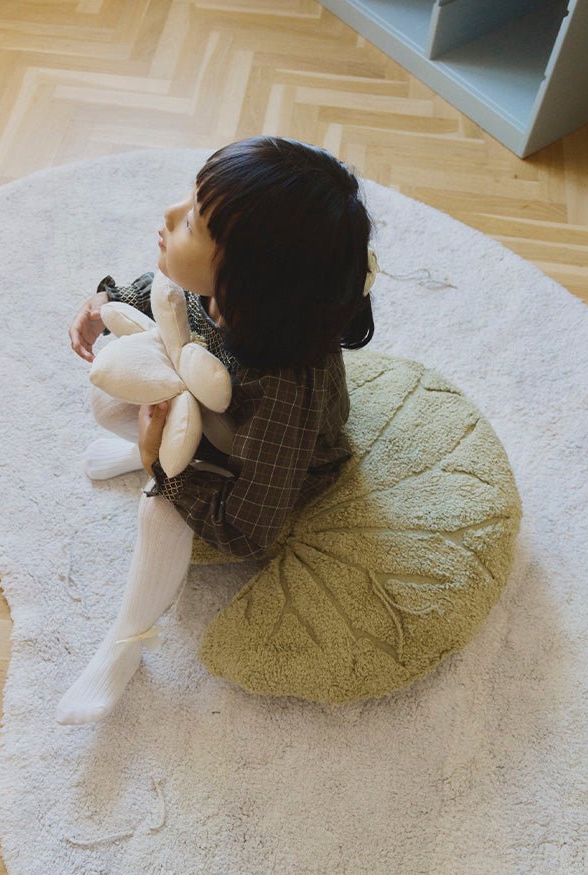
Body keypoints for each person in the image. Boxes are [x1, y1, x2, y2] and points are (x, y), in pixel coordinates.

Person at [56, 135, 378, 725]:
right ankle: (148, 450)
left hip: (276, 464)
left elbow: (248, 529)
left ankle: (124, 644)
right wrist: (105, 301)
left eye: (193, 224)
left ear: (246, 278)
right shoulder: (225, 294)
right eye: (189, 200)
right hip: (204, 405)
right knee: (107, 398)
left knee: (159, 510)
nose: (169, 213)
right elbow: (164, 299)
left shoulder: (282, 389)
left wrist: (162, 469)